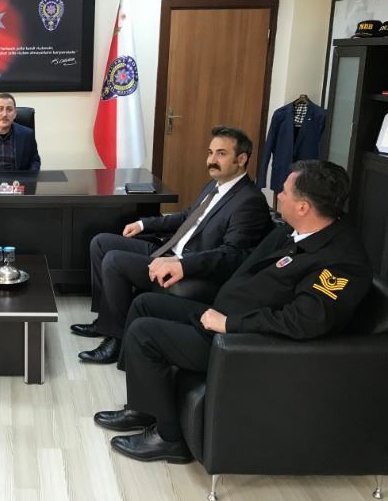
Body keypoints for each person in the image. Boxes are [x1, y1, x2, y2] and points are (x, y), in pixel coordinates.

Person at [96, 160, 372, 464]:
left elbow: (304, 320)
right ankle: (144, 409)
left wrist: (231, 324)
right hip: (222, 314)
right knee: (144, 304)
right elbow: (240, 261)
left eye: (284, 192)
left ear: (304, 207)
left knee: (145, 333)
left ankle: (169, 439)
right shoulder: (293, 231)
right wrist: (185, 266)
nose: (278, 196)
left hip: (243, 342)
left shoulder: (341, 262)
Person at [74, 126, 272, 364]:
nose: (211, 160)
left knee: (115, 261)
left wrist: (182, 263)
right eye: (210, 153)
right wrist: (144, 224)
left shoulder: (249, 201)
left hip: (188, 266)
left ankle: (116, 340)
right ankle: (106, 321)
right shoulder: (215, 185)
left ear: (242, 159)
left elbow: (231, 255)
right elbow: (188, 216)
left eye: (221, 154)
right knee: (101, 243)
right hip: (170, 249)